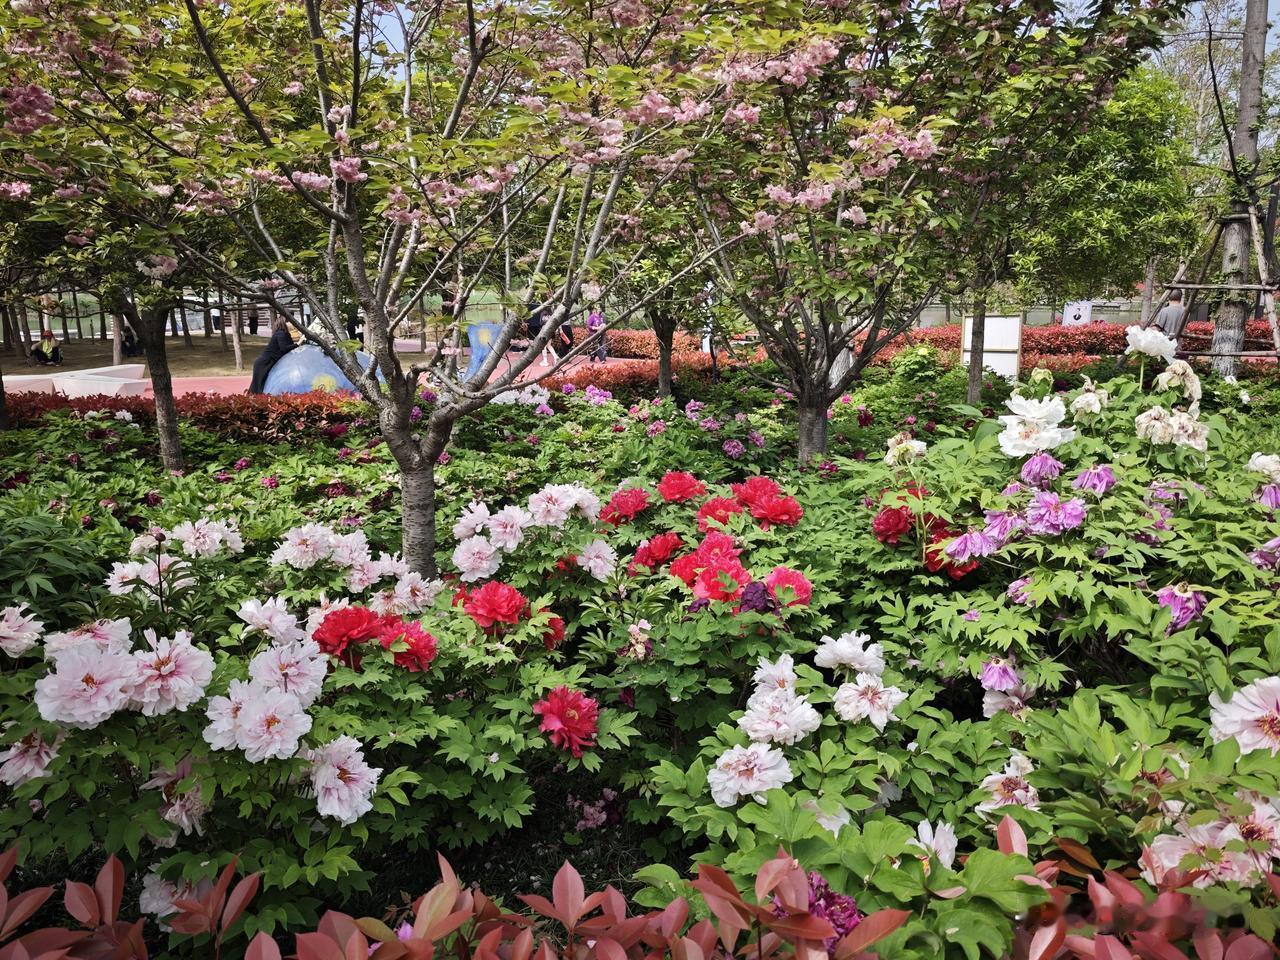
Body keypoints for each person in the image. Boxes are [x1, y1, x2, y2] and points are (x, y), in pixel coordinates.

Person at [248, 315, 297, 394]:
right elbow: (284, 349)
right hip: (265, 363)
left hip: (267, 362)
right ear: (284, 323)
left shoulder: (283, 334)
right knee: (258, 388)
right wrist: (298, 344)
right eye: (288, 322)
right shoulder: (281, 334)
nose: (291, 324)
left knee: (259, 387)